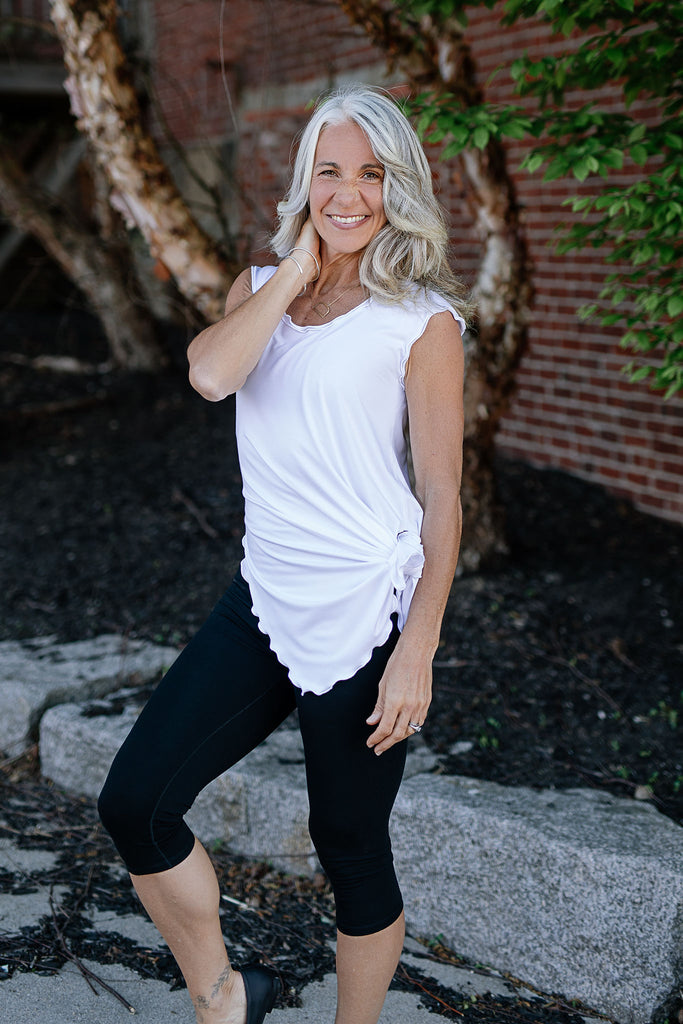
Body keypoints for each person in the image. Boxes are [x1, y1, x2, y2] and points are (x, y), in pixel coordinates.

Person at [98, 84, 467, 1024]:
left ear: (398, 188)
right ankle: (224, 993)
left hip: (369, 606)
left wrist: (417, 647)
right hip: (263, 598)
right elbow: (214, 376)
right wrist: (298, 265)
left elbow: (441, 500)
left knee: (347, 841)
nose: (349, 194)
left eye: (371, 175)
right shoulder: (257, 291)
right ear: (306, 179)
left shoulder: (419, 323)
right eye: (330, 171)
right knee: (136, 802)